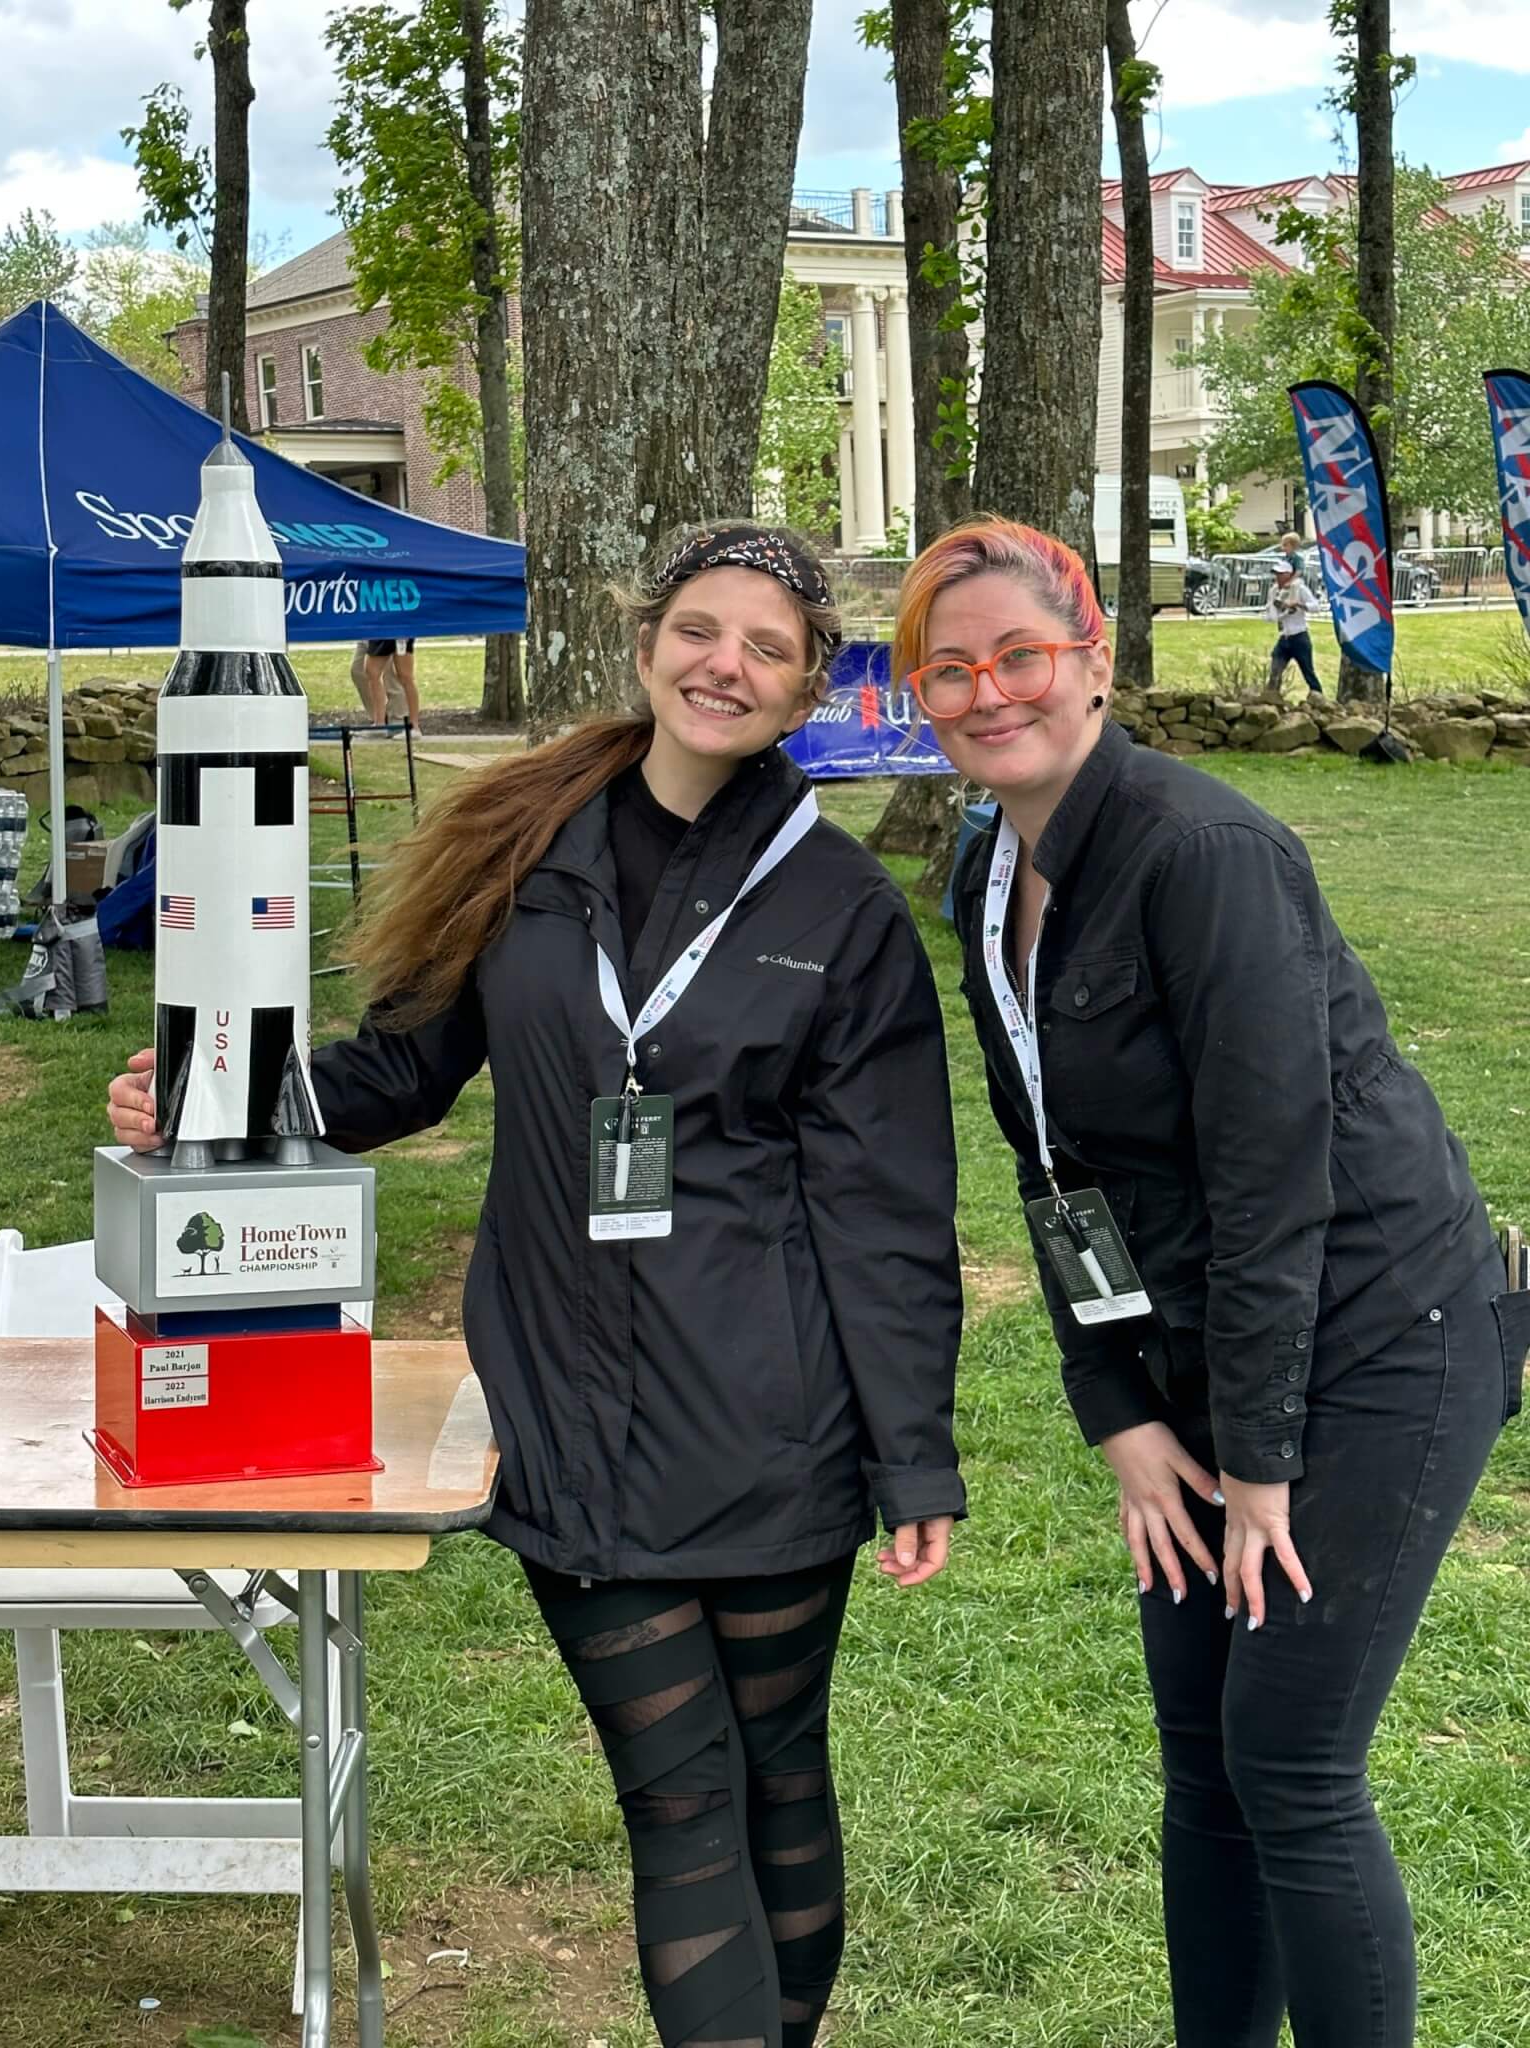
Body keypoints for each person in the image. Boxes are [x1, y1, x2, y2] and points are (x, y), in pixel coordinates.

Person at [107, 521, 966, 2048]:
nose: (728, 665)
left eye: (768, 649)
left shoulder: (839, 909)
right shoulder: (529, 845)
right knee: (678, 1794)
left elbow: (883, 1206)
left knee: (779, 1774)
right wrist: (212, 1095)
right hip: (568, 1402)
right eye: (703, 631)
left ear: (802, 689)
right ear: (647, 646)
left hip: (771, 1412)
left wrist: (913, 1452)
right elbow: (404, 1068)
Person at [897, 514, 1529, 2048]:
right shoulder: (993, 870)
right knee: (1205, 1761)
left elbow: (1273, 1179)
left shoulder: (1206, 853)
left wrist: (1258, 1461)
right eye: (950, 668)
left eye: (1022, 657)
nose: (991, 693)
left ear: (1094, 655)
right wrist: (1117, 1405)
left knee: (1293, 1762)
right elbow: (1052, 1167)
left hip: (1390, 1335)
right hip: (1195, 1353)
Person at [1265, 559, 1323, 696]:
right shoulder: (1274, 591)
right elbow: (1271, 614)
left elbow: (1316, 607)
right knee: (1275, 670)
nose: (1278, 578)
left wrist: (1298, 604)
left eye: (1281, 574)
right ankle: (1272, 697)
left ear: (1289, 574)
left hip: (1299, 637)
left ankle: (1318, 698)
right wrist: (1277, 611)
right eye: (1276, 574)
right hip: (1284, 637)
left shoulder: (1299, 588)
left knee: (1308, 671)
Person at [363, 635, 422, 735]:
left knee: (405, 676)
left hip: (399, 629)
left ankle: (414, 727)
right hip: (380, 630)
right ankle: (379, 724)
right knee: (371, 671)